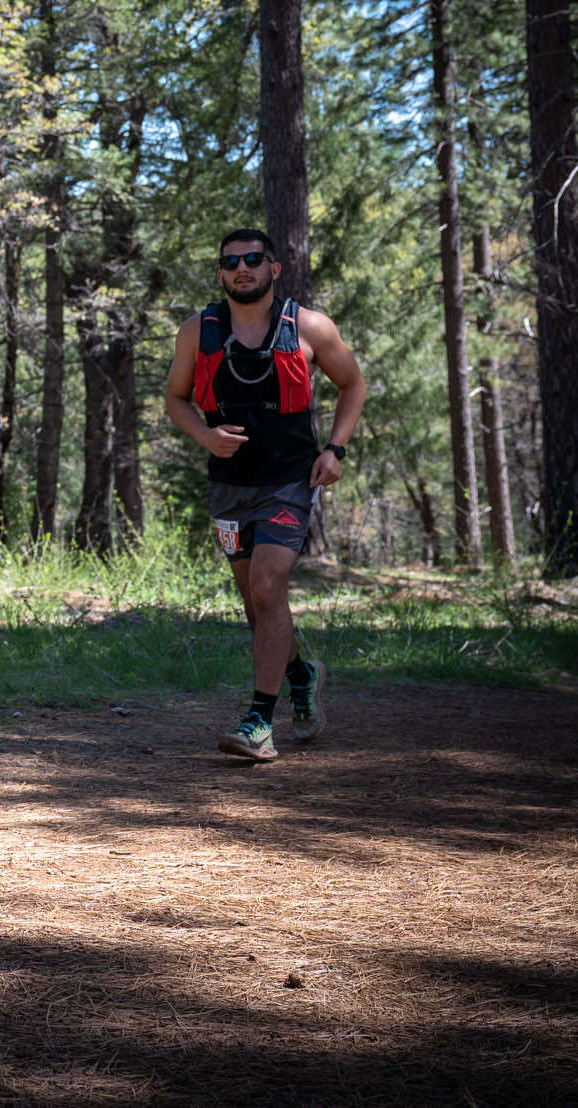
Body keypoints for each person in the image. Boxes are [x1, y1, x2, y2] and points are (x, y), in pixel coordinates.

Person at [163, 228, 366, 762]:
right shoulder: (197, 331)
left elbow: (353, 384)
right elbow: (177, 400)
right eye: (231, 262)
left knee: (268, 587)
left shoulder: (310, 327)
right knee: (258, 604)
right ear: (221, 273)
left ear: (274, 269)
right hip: (229, 487)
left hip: (289, 481)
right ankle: (301, 674)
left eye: (253, 259)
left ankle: (258, 722)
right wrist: (204, 435)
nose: (242, 268)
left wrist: (335, 450)